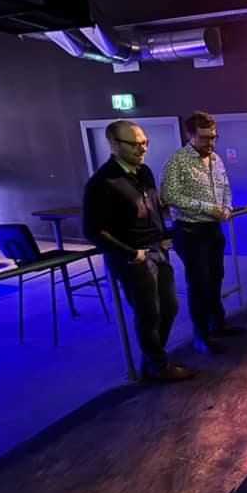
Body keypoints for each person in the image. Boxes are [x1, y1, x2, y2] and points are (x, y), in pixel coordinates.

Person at [83, 120, 195, 382]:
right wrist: (132, 254)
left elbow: (153, 208)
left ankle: (153, 359)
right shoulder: (102, 182)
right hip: (133, 258)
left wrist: (164, 236)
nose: (142, 148)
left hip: (157, 250)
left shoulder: (144, 172)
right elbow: (92, 231)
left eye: (145, 143)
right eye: (134, 144)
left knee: (169, 308)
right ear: (113, 144)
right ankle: (157, 365)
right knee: (148, 313)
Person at [161, 111, 245, 356]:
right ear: (190, 135)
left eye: (214, 137)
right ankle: (201, 336)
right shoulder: (177, 160)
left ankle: (218, 324)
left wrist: (227, 207)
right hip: (190, 231)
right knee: (199, 284)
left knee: (216, 277)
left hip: (213, 230)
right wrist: (207, 207)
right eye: (205, 137)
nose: (211, 143)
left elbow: (225, 188)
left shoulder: (216, 159)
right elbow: (168, 195)